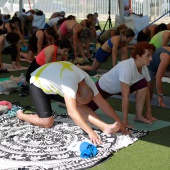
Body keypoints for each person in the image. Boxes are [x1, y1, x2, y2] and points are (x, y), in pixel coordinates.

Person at [16, 61, 129, 145]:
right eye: (77, 98)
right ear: (77, 94)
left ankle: (105, 127)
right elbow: (71, 112)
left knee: (79, 105)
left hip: (54, 80)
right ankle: (21, 115)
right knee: (47, 122)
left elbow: (101, 102)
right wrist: (90, 132)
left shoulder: (87, 80)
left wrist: (119, 122)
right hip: (38, 82)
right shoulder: (69, 85)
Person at [88, 42, 157, 127]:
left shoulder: (143, 67)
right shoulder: (127, 67)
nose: (151, 58)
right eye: (148, 55)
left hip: (119, 88)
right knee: (86, 109)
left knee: (143, 83)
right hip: (103, 88)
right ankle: (66, 102)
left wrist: (148, 112)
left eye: (151, 55)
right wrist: (125, 122)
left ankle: (138, 116)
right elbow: (125, 97)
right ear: (138, 57)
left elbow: (146, 90)